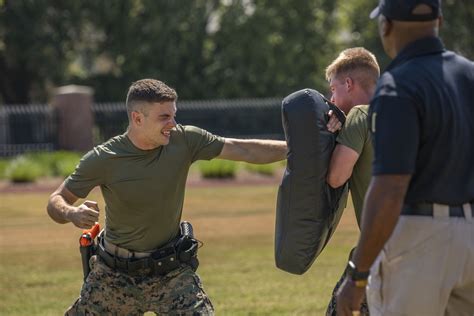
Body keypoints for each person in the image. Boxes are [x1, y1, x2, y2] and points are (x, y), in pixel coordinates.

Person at [47, 78, 291, 315]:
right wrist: (72, 213)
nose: (173, 123)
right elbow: (57, 200)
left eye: (173, 115)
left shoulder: (184, 140)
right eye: (164, 117)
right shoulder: (103, 158)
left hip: (171, 272)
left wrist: (298, 148)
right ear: (137, 118)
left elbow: (242, 148)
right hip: (114, 274)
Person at [336, 0, 474, 315]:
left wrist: (358, 275)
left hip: (420, 239)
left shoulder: (397, 85)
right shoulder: (470, 75)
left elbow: (390, 188)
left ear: (386, 26)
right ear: (438, 19)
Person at [322, 47, 380, 316]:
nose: (331, 98)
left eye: (333, 89)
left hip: (383, 246)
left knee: (341, 308)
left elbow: (336, 177)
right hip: (431, 234)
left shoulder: (359, 115)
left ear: (349, 83)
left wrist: (332, 136)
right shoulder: (404, 109)